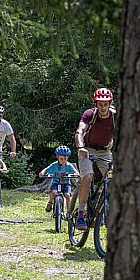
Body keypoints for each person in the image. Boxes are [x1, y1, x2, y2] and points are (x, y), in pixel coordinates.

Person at [74, 87, 115, 230]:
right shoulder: (89, 114)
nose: (103, 107)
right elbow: (80, 131)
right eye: (100, 104)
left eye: (106, 104)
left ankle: (101, 201)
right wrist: (80, 147)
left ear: (110, 103)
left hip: (105, 151)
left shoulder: (114, 117)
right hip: (87, 149)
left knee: (113, 179)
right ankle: (80, 215)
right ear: (96, 104)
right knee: (88, 176)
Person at [39, 146, 79, 213]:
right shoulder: (54, 165)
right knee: (54, 192)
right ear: (58, 157)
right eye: (61, 159)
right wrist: (42, 173)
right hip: (56, 183)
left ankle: (69, 211)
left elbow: (76, 171)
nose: (63, 161)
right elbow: (46, 169)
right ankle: (50, 203)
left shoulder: (69, 165)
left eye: (65, 159)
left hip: (66, 183)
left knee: (67, 195)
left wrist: (76, 174)